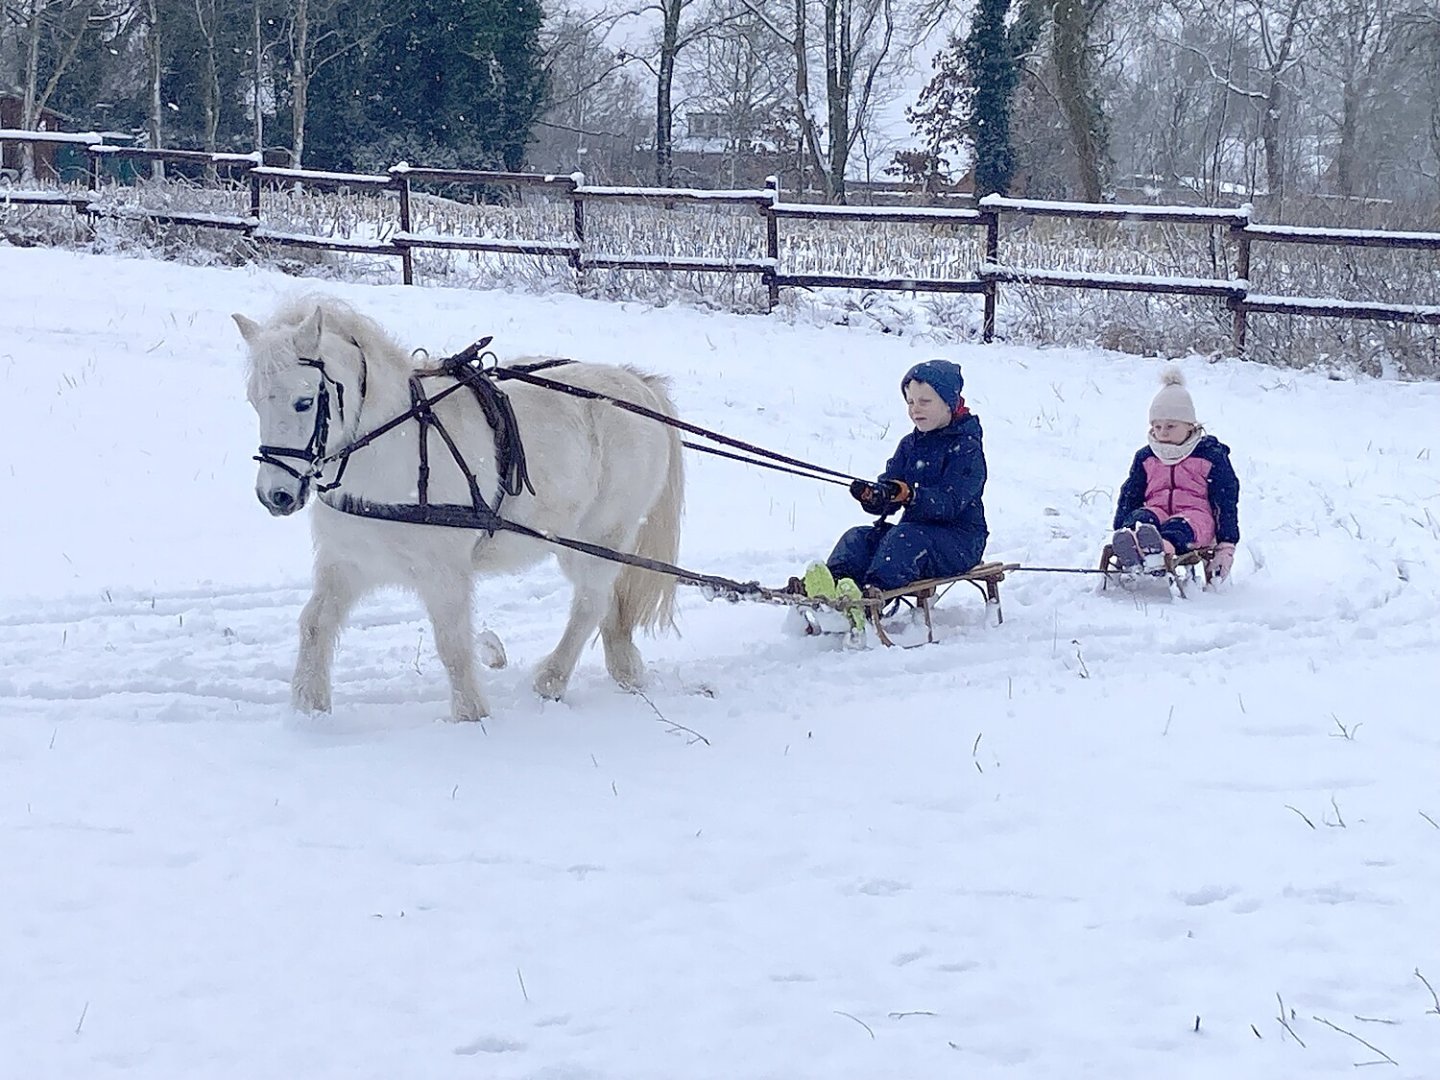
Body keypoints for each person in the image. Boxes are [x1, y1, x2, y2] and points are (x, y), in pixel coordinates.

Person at [802, 359, 988, 611]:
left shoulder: (966, 448)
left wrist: (911, 496)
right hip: (914, 534)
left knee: (904, 538)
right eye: (910, 402)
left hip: (960, 542)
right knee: (859, 537)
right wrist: (876, 495)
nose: (915, 409)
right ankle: (831, 588)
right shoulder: (910, 445)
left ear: (949, 403)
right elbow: (891, 488)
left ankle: (870, 596)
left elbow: (951, 503)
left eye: (925, 401)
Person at [1111, 367, 1240, 579]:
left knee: (1179, 527)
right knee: (1142, 518)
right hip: (1157, 510)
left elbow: (1225, 501)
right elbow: (1130, 495)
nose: (1162, 433)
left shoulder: (1210, 457)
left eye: (1170, 426)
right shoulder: (1146, 457)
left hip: (1196, 517)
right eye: (1157, 426)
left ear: (1190, 425)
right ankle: (1133, 543)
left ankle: (1160, 549)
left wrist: (1226, 544)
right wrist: (1121, 527)